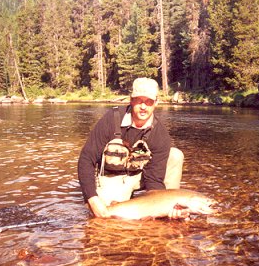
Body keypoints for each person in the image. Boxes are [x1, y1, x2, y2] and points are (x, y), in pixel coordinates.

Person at [78, 77, 186, 219]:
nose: (143, 107)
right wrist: (91, 197)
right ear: (131, 100)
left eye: (149, 102)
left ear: (156, 103)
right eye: (139, 100)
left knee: (175, 155)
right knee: (106, 216)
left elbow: (154, 179)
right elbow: (86, 159)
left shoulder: (160, 134)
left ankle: (171, 203)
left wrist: (165, 208)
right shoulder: (111, 119)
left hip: (139, 176)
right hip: (112, 178)